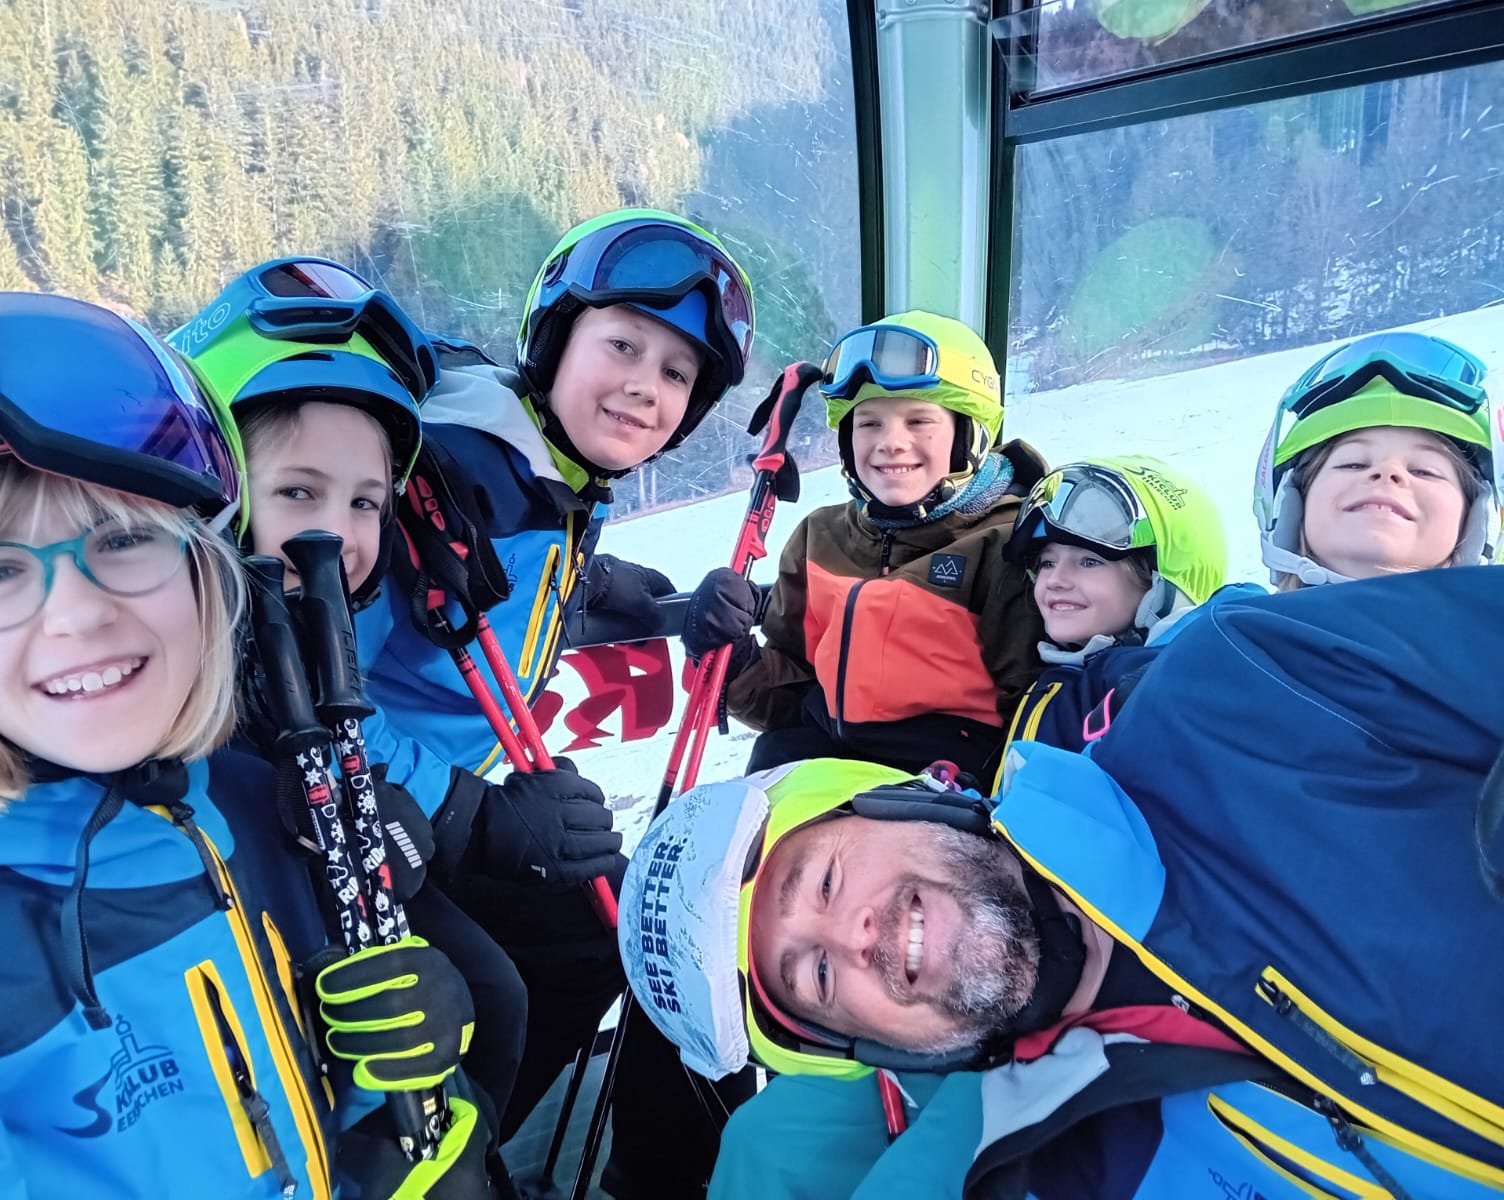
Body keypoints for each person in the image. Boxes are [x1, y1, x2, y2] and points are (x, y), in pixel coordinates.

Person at [621, 563, 1504, 1198]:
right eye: (814, 976)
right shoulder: (1062, 1176)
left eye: (821, 882)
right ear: (868, 1047)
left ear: (902, 800)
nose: (853, 937)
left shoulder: (1247, 688)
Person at [0, 293, 491, 1198]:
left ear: (201, 567)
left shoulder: (248, 809)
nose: (78, 614)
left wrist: (395, 1116)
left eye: (125, 540)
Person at [175, 256, 626, 1132]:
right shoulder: (172, 655)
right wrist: (461, 813)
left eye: (365, 504)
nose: (335, 537)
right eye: (297, 491)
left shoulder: (315, 609)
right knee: (490, 996)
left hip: (368, 818)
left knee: (496, 993)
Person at [680, 312, 1046, 789]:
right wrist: (732, 660)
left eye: (919, 420)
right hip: (824, 778)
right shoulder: (820, 537)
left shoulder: (1010, 544)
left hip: (949, 789)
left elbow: (1035, 713)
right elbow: (792, 701)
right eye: (869, 423)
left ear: (968, 435)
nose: (891, 443)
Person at [995, 454, 1228, 758]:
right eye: (1047, 563)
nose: (1056, 580)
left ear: (1159, 583)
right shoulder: (1066, 677)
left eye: (1089, 562)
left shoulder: (1163, 690)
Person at [1255, 329, 1501, 588]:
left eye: (1424, 470)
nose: (1387, 472)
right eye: (1353, 464)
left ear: (1481, 517)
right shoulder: (1233, 615)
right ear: (1290, 504)